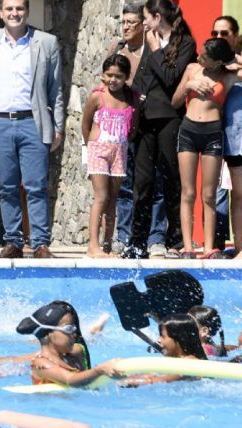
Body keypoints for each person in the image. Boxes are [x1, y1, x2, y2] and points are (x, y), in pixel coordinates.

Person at [0, 0, 64, 259]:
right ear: (0, 12)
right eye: (9, 9)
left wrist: (57, 126)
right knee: (6, 186)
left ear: (27, 11)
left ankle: (40, 243)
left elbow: (55, 89)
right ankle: (13, 241)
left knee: (36, 186)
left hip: (32, 122)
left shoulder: (46, 43)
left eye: (19, 9)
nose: (15, 13)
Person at [122, 0, 196, 259]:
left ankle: (174, 240)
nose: (143, 23)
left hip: (169, 119)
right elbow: (142, 80)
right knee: (142, 183)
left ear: (156, 16)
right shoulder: (149, 40)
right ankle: (138, 240)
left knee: (171, 179)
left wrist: (154, 50)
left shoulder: (185, 43)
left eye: (146, 18)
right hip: (145, 121)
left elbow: (169, 77)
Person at [171, 38, 237, 259]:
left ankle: (209, 247)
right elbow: (176, 101)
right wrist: (189, 86)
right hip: (189, 131)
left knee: (209, 194)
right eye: (200, 54)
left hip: (212, 134)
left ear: (217, 61)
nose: (199, 58)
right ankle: (188, 246)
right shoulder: (192, 69)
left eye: (205, 57)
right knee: (188, 192)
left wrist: (233, 58)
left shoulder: (227, 76)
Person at [112, 2, 168, 257]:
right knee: (125, 185)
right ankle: (123, 236)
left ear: (143, 25)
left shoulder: (153, 50)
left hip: (151, 127)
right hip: (125, 129)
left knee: (154, 183)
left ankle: (155, 237)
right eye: (122, 22)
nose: (124, 27)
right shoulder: (118, 52)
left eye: (130, 23)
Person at [82, 54, 138, 257]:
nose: (113, 80)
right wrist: (90, 146)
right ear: (103, 75)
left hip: (119, 151)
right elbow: (85, 124)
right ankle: (93, 246)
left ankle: (107, 245)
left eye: (119, 76)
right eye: (109, 75)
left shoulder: (131, 98)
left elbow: (134, 126)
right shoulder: (97, 96)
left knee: (113, 199)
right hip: (98, 149)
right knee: (101, 197)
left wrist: (124, 141)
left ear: (126, 77)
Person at [16, 303, 120, 386]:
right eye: (68, 329)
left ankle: (94, 331)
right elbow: (70, 379)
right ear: (47, 335)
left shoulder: (76, 352)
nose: (74, 334)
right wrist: (99, 370)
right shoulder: (41, 364)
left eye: (74, 329)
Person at [121, 313, 207, 387]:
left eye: (162, 336)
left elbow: (159, 381)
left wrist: (129, 381)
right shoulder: (177, 360)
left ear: (180, 338)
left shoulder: (190, 362)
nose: (159, 340)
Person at [220, 16, 242, 258]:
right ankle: (240, 248)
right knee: (238, 195)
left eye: (224, 33)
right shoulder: (215, 64)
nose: (219, 38)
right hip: (234, 139)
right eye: (215, 33)